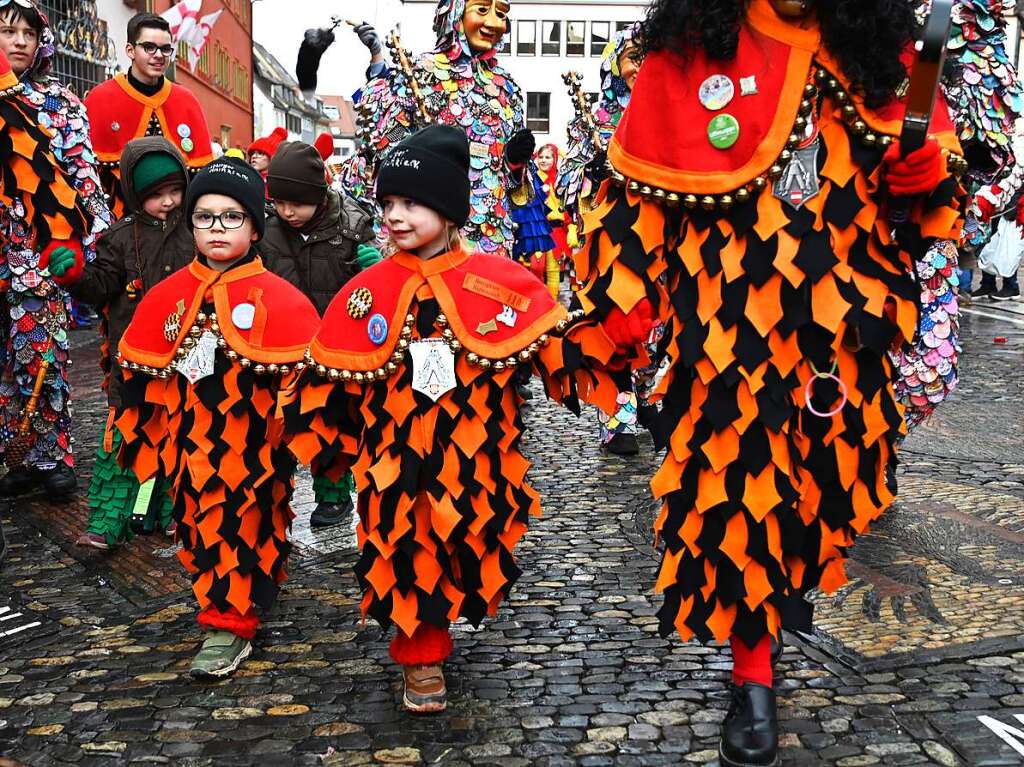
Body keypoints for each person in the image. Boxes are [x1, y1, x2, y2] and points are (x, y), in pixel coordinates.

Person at [573, 1, 965, 765]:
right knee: (736, 497)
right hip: (726, 335)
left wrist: (923, 176)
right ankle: (751, 674)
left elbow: (926, 208)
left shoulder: (881, 50)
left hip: (842, 333)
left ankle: (781, 613)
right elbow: (637, 204)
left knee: (817, 493)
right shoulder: (687, 53)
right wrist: (616, 319)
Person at [281, 125, 623, 714]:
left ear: (448, 208)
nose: (395, 216)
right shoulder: (367, 289)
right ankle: (420, 655)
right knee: (402, 544)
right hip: (395, 458)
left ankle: (445, 617)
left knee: (465, 540)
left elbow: (552, 340)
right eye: (387, 203)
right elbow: (329, 373)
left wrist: (602, 345)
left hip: (475, 455)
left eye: (412, 203)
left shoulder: (498, 280)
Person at [114, 158, 319, 678]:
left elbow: (305, 379)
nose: (217, 229)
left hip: (258, 448)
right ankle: (225, 620)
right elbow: (140, 372)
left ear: (254, 225)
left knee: (259, 519)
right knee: (206, 526)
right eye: (205, 217)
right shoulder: (167, 293)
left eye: (231, 217)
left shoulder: (282, 297)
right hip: (191, 448)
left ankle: (245, 601)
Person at [49, 138, 193, 549]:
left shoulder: (197, 227)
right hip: (131, 360)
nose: (167, 202)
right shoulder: (118, 239)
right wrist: (75, 276)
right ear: (134, 195)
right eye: (155, 196)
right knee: (122, 441)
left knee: (178, 439)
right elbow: (101, 287)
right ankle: (108, 521)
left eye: (174, 191)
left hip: (184, 360)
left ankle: (170, 513)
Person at [343, 0, 543, 260]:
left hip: (490, 238)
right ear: (456, 14)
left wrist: (515, 163)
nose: (494, 23)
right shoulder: (419, 73)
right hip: (430, 238)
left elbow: (513, 187)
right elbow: (382, 153)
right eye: (482, 10)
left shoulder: (507, 89)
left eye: (501, 14)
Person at [259, 140, 380, 528]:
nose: (287, 211)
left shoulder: (351, 226)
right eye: (279, 202)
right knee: (281, 421)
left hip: (334, 339)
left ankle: (333, 495)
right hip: (284, 340)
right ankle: (277, 493)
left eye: (296, 202)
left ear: (317, 194)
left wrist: (371, 272)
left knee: (331, 419)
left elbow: (376, 285)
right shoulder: (269, 229)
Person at [0, 44, 99, 497]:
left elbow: (83, 177)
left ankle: (52, 458)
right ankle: (16, 456)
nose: (17, 41)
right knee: (6, 368)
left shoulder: (60, 104)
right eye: (6, 31)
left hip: (37, 257)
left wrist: (78, 242)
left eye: (26, 32)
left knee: (40, 359)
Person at [556, 23, 646, 457]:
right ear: (615, 64)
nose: (640, 66)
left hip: (661, 247)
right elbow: (565, 183)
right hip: (610, 249)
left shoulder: (671, 113)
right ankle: (618, 420)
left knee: (659, 329)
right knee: (616, 333)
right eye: (633, 56)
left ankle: (653, 403)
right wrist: (593, 171)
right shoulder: (594, 121)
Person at [84, 12, 213, 217]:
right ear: (130, 50)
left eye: (165, 49)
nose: (159, 55)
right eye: (149, 47)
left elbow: (201, 178)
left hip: (177, 219)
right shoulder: (100, 98)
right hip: (119, 221)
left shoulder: (187, 100)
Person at [534, 143, 571, 295]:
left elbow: (566, 207)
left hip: (556, 231)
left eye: (548, 157)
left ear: (554, 159)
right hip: (537, 231)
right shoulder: (533, 180)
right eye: (541, 157)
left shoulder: (561, 182)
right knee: (536, 267)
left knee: (553, 270)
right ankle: (538, 304)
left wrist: (570, 229)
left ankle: (552, 306)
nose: (544, 160)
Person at [248, 127, 288, 197]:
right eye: (253, 153)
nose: (254, 156)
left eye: (260, 153)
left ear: (272, 157)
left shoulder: (279, 182)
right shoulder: (247, 177)